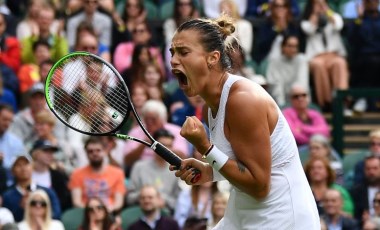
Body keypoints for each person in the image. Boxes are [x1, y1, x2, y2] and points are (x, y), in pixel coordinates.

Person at [168, 15, 320, 229]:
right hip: (244, 211)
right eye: (172, 52)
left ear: (213, 57)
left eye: (183, 52)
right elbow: (243, 160)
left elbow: (259, 185)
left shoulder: (242, 101)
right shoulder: (210, 105)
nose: (173, 60)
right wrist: (209, 171)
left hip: (282, 217)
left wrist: (204, 147)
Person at [127, 128, 181, 211]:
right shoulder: (139, 166)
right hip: (140, 212)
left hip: (165, 214)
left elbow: (179, 202)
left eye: (169, 146)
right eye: (163, 145)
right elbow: (129, 199)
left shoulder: (176, 170)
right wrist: (145, 196)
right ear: (154, 147)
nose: (166, 149)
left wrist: (164, 200)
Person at [68, 137, 126, 213]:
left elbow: (118, 203)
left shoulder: (118, 173)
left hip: (109, 213)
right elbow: (76, 202)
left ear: (105, 151)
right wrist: (93, 210)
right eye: (90, 151)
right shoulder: (77, 174)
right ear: (86, 153)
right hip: (86, 214)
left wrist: (105, 211)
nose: (94, 154)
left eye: (98, 150)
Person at [2, 155, 61, 222]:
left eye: (26, 164)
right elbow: (7, 220)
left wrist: (39, 214)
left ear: (32, 167)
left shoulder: (47, 192)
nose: (23, 168)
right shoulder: (7, 196)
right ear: (12, 171)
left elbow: (56, 214)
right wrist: (21, 208)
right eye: (18, 165)